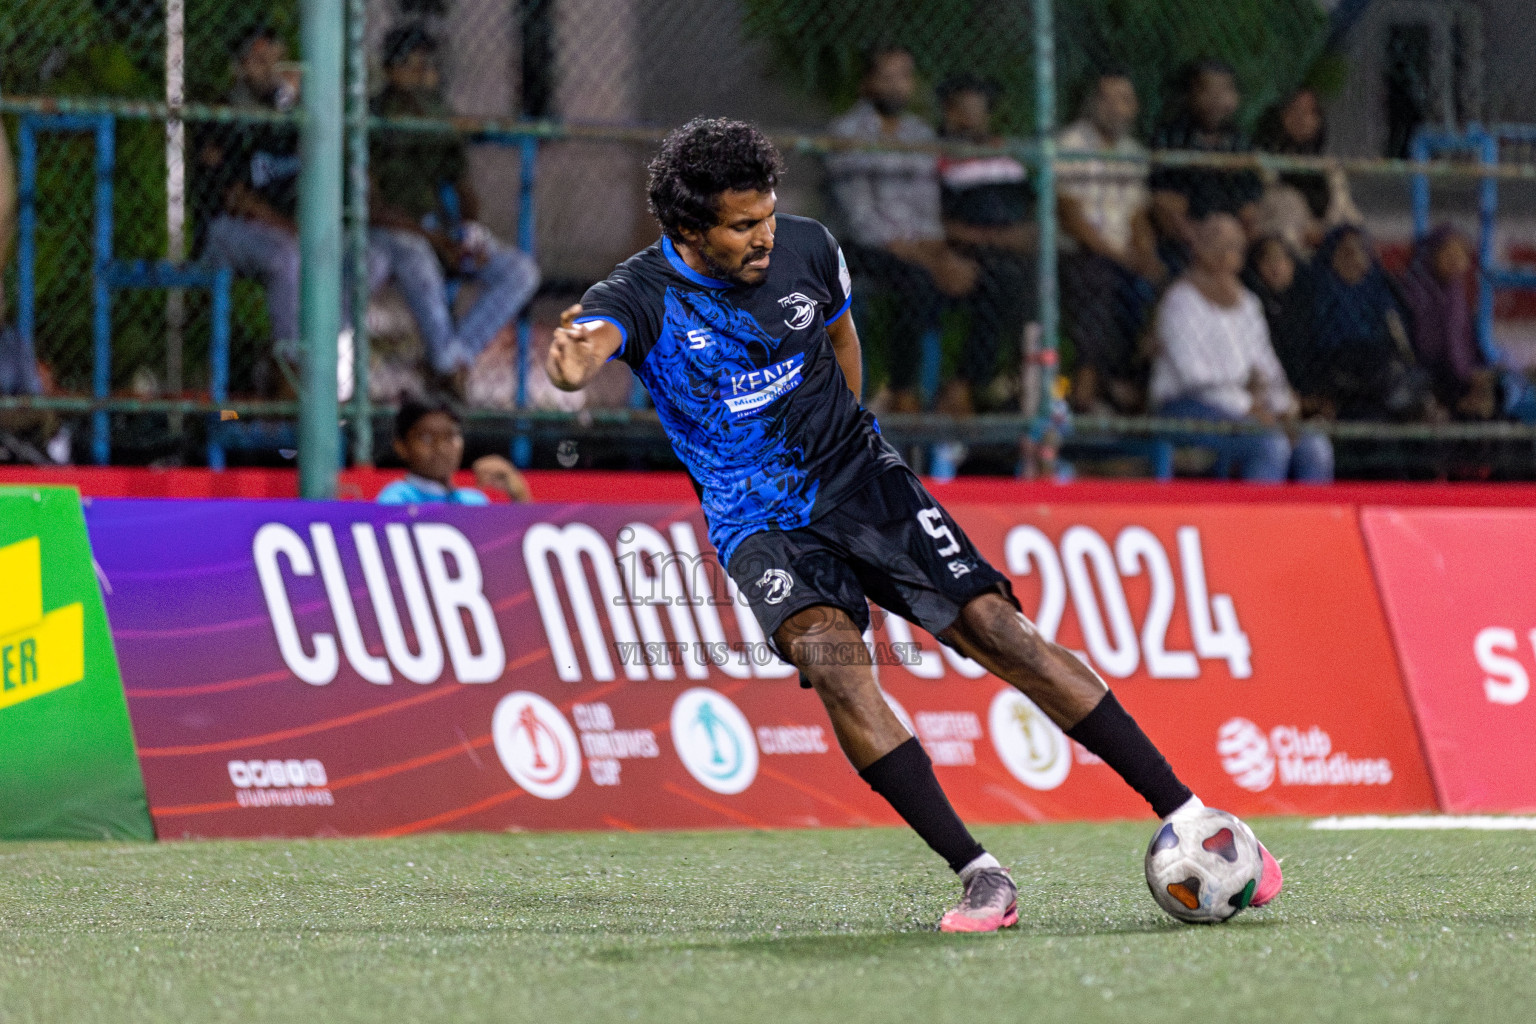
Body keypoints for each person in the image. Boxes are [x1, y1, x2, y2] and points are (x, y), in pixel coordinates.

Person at [545, 118, 1283, 932]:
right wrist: (574, 358)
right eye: (742, 226)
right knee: (837, 666)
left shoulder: (809, 247)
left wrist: (850, 440)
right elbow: (591, 342)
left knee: (996, 629)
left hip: (860, 480)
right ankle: (980, 876)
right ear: (690, 230)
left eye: (768, 215)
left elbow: (841, 341)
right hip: (759, 525)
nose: (764, 237)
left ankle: (1188, 814)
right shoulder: (641, 294)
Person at [369, 25, 541, 393]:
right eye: (411, 65)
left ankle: (451, 360)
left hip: (431, 229)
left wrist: (469, 231)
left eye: (426, 65)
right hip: (386, 233)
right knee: (417, 258)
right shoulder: (373, 118)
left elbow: (462, 186)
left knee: (520, 272)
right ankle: (448, 369)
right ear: (391, 70)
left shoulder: (438, 115)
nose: (422, 74)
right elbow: (372, 208)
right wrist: (437, 240)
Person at [825, 45, 979, 412]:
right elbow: (864, 225)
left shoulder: (920, 134)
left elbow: (928, 213)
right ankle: (902, 390)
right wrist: (931, 261)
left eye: (904, 77)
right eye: (887, 77)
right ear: (868, 84)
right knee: (918, 281)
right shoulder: (845, 132)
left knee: (986, 278)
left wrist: (942, 256)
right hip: (854, 248)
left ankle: (961, 390)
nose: (897, 86)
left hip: (915, 249)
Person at [1150, 215, 1333, 482]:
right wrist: (1247, 406)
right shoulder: (1180, 301)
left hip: (1250, 408)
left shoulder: (1248, 303)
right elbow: (1192, 376)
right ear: (1198, 248)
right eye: (1217, 243)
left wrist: (1283, 408)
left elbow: (1266, 365)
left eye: (1234, 245)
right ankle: (1260, 524)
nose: (1227, 253)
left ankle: (1308, 525)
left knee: (1315, 446)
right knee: (1269, 444)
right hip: (1187, 406)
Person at [196, 27, 305, 383]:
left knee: (337, 256)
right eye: (260, 62)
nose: (271, 71)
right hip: (225, 232)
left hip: (278, 232)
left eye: (277, 61)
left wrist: (296, 106)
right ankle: (289, 368)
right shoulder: (227, 112)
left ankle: (325, 372)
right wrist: (289, 227)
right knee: (286, 254)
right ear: (241, 67)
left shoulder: (290, 115)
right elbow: (234, 198)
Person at [1056, 69, 1163, 413]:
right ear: (1094, 104)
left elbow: (1137, 216)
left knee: (1162, 283)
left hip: (1122, 253)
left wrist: (1145, 255)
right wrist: (1120, 256)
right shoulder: (1069, 144)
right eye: (1108, 98)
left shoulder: (1132, 152)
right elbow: (1070, 214)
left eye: (1125, 99)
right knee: (1098, 279)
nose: (1116, 107)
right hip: (1080, 250)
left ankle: (1132, 385)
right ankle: (1086, 387)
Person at [934, 74, 1034, 414]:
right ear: (949, 113)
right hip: (967, 251)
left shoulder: (1006, 160)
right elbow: (940, 223)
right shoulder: (938, 158)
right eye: (964, 110)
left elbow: (1029, 217)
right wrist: (989, 239)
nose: (971, 118)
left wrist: (1019, 237)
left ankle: (1027, 380)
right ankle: (968, 383)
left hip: (1012, 252)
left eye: (979, 110)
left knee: (1031, 277)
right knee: (998, 280)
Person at [1310, 225, 1439, 421]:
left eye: (1361, 251)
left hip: (1385, 377)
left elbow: (1402, 343)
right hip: (1339, 380)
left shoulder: (1383, 291)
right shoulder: (1318, 293)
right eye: (1346, 252)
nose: (1355, 259)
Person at [1149, 59, 1262, 274]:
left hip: (1232, 236)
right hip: (1187, 236)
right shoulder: (1171, 137)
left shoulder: (1240, 142)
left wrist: (1234, 242)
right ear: (1191, 94)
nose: (1217, 99)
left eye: (1225, 89)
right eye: (1208, 89)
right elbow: (1165, 201)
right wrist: (1202, 243)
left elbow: (1250, 205)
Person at [1398, 225, 1499, 420]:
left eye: (1461, 255)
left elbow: (1468, 344)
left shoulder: (1456, 295)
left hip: (1457, 375)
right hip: (1424, 375)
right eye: (1448, 253)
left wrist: (1478, 375)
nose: (1455, 261)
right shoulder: (1414, 290)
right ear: (1432, 255)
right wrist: (1467, 376)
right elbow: (1425, 347)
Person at [1252, 88, 1362, 252]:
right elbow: (1275, 199)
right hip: (1283, 242)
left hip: (1327, 242)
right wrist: (1308, 228)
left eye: (1310, 112)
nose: (1302, 118)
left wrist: (1340, 232)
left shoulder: (1328, 167)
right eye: (1295, 109)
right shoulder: (1262, 160)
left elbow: (1346, 210)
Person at [377, 397, 530, 505]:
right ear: (401, 446)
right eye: (426, 438)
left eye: (450, 437)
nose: (441, 448)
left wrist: (518, 493)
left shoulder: (475, 502)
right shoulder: (395, 500)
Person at [1242, 235, 1326, 417]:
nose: (1275, 267)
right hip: (1268, 402)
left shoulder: (1306, 306)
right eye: (1267, 260)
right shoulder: (1250, 307)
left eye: (1281, 258)